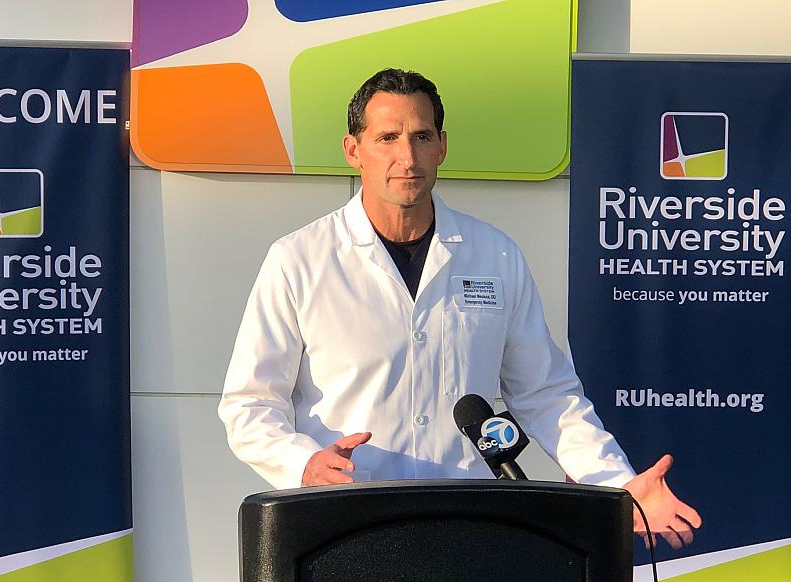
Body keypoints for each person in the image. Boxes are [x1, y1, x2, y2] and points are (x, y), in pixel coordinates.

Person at [219, 68, 701, 548]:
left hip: (466, 522)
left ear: (442, 146)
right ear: (353, 150)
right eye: (386, 137)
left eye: (421, 136)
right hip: (343, 522)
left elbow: (546, 394)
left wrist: (618, 486)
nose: (406, 157)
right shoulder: (299, 260)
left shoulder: (495, 254)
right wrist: (301, 462)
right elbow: (250, 404)